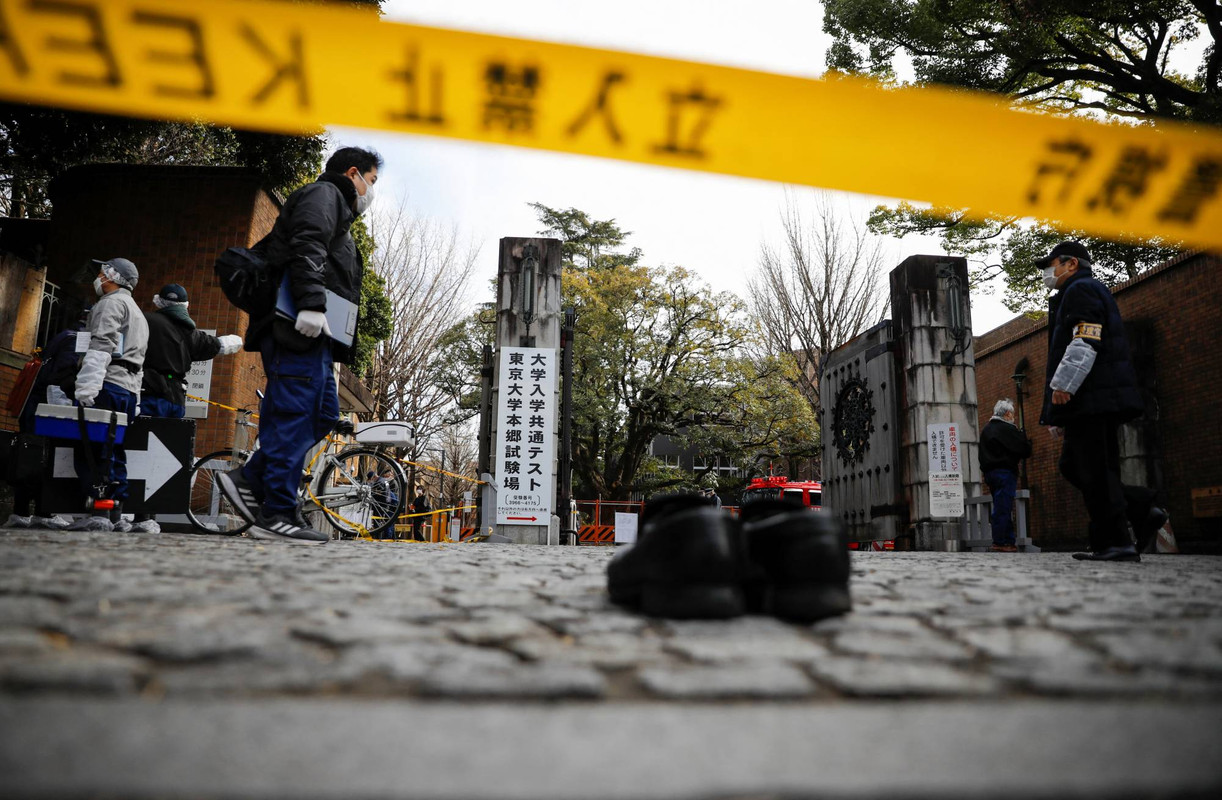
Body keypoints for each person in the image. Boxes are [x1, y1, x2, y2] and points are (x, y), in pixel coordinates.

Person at [218, 146, 379, 543]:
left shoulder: (338, 211)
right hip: (298, 328)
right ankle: (275, 513)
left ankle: (251, 480)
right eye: (371, 182)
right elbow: (308, 244)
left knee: (322, 413)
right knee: (293, 414)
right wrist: (310, 304)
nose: (371, 191)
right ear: (353, 173)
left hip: (317, 338)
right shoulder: (323, 195)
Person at [1037, 241, 1144, 562]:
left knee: (1092, 467)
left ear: (1071, 264)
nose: (1047, 272)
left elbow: (1086, 337)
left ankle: (1117, 541)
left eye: (1051, 264)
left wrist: (1063, 386)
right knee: (1080, 465)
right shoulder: (1080, 291)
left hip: (1091, 396)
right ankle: (1137, 512)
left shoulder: (1081, 290)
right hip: (1095, 395)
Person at [131, 284, 243, 533]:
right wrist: (238, 338)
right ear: (185, 306)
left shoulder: (144, 321)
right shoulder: (189, 333)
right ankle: (148, 514)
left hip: (146, 393)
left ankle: (128, 510)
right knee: (167, 453)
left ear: (158, 302)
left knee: (136, 447)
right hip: (175, 401)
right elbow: (220, 345)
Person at [68, 258, 149, 532]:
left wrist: (88, 384)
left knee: (93, 449)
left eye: (102, 273)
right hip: (127, 389)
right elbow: (139, 359)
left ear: (112, 276)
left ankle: (98, 513)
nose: (99, 277)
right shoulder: (137, 312)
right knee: (114, 450)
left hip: (108, 384)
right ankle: (115, 512)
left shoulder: (110, 303)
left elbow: (102, 343)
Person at [980, 398, 1032, 552]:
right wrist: (1023, 436)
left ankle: (1008, 541)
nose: (1013, 417)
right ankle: (1001, 542)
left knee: (1001, 504)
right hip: (1005, 472)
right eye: (1012, 414)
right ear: (1008, 414)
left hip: (990, 473)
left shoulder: (986, 429)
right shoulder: (1007, 429)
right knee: (1004, 507)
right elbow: (1024, 450)